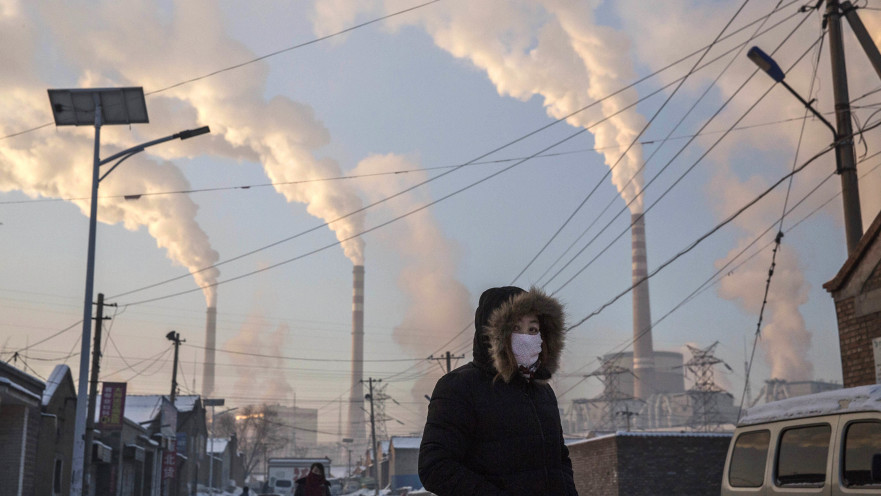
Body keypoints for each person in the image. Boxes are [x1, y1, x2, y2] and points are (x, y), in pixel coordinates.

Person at [418, 286, 578, 495]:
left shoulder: (542, 392)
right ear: (494, 335)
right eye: (515, 328)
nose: (526, 338)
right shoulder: (459, 386)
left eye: (533, 330)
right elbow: (435, 467)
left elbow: (559, 460)